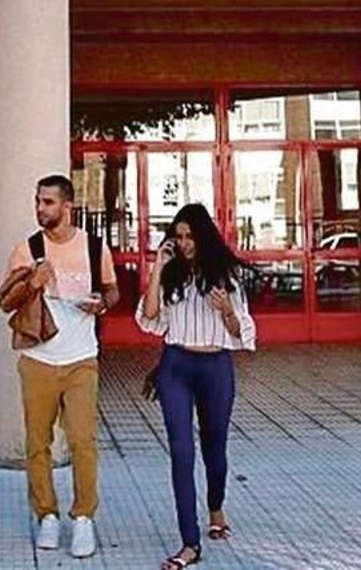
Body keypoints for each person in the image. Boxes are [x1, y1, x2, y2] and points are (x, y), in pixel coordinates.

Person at [0, 173, 119, 559]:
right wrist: (34, 282)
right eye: (37, 201)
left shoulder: (94, 246)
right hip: (38, 360)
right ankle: (46, 515)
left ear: (68, 206)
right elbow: (5, 302)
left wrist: (101, 302)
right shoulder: (27, 248)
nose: (40, 208)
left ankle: (83, 518)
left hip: (82, 359)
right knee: (38, 443)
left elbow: (113, 291)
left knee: (84, 442)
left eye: (47, 202)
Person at [137, 203, 257, 570]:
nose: (185, 243)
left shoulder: (227, 275)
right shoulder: (171, 274)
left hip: (215, 367)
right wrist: (158, 266)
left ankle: (216, 507)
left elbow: (244, 333)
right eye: (179, 236)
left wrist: (226, 312)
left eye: (190, 237)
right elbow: (150, 317)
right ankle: (190, 544)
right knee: (181, 453)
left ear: (203, 236)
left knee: (214, 449)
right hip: (175, 366)